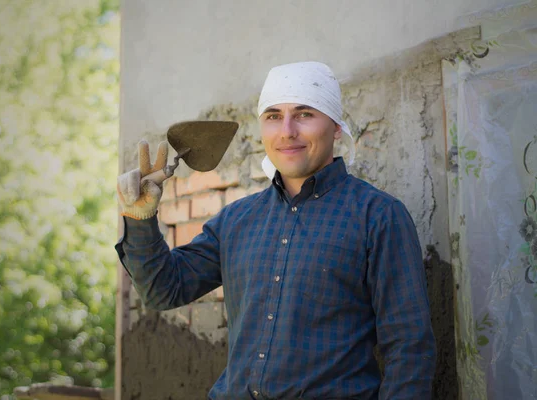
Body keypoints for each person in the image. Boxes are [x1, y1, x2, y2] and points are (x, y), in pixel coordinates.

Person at [115, 61, 436, 400]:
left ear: (336, 127)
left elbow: (409, 348)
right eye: (272, 116)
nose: (286, 131)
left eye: (304, 114)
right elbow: (164, 290)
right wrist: (140, 219)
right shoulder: (236, 220)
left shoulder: (379, 216)